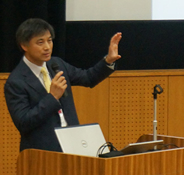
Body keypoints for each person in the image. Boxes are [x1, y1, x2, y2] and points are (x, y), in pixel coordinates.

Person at [4, 18, 122, 152]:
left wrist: (108, 60)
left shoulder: (57, 65)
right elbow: (24, 122)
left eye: (49, 40)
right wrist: (52, 97)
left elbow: (88, 78)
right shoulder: (16, 81)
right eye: (40, 42)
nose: (47, 47)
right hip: (42, 153)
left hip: (73, 145)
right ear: (24, 45)